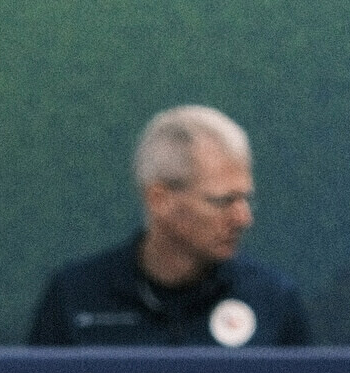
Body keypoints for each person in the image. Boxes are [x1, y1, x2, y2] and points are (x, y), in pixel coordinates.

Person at [28, 106, 310, 349]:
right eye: (223, 201)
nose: (243, 218)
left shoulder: (273, 300)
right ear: (160, 200)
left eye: (245, 199)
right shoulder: (75, 296)